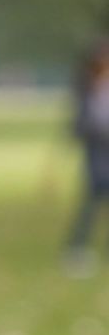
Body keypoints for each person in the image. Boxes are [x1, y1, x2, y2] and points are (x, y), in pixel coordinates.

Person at [62, 39, 109, 276]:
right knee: (91, 203)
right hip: (97, 155)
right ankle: (76, 249)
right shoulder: (88, 90)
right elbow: (77, 127)